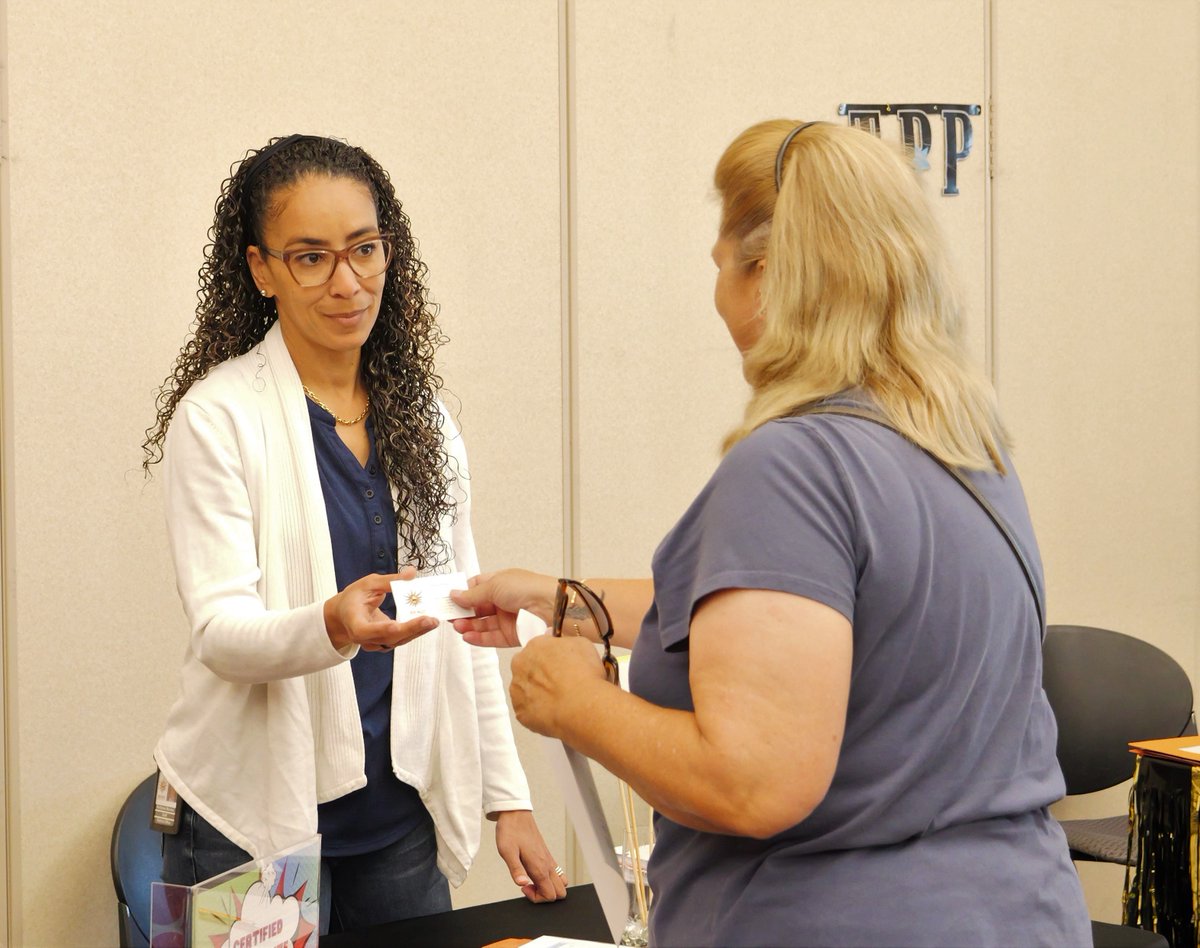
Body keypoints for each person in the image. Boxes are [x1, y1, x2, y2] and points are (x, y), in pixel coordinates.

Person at [451, 120, 1092, 946]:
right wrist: (573, 603)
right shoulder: (966, 446)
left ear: (766, 277)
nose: (718, 298)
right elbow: (795, 625)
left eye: (721, 269)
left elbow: (751, 782)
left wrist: (574, 702)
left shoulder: (791, 464)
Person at [142, 134, 565, 936]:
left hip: (395, 813)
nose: (348, 283)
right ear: (262, 269)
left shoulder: (423, 419)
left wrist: (508, 800)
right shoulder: (219, 416)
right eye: (311, 258)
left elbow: (463, 619)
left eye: (364, 250)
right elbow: (221, 635)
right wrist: (333, 624)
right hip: (244, 816)